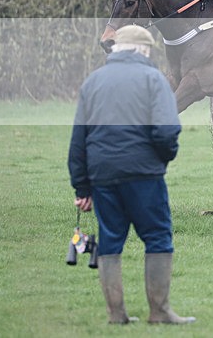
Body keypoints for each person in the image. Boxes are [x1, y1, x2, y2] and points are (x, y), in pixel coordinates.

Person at [67, 25, 194, 325]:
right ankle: (159, 311)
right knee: (158, 237)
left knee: (111, 241)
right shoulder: (154, 79)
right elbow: (166, 131)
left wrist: (82, 187)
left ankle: (116, 314)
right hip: (143, 174)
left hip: (102, 176)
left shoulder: (93, 82)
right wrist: (162, 159)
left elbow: (78, 141)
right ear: (144, 50)